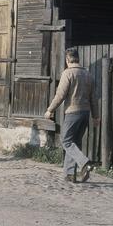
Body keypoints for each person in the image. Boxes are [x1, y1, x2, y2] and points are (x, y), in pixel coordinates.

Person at [45, 48, 100, 183]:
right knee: (75, 142)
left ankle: (84, 162)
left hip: (72, 113)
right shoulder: (88, 74)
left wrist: (50, 109)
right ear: (78, 59)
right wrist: (96, 116)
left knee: (66, 141)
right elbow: (94, 98)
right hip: (85, 113)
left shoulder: (67, 73)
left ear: (67, 60)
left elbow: (60, 95)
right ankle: (70, 175)